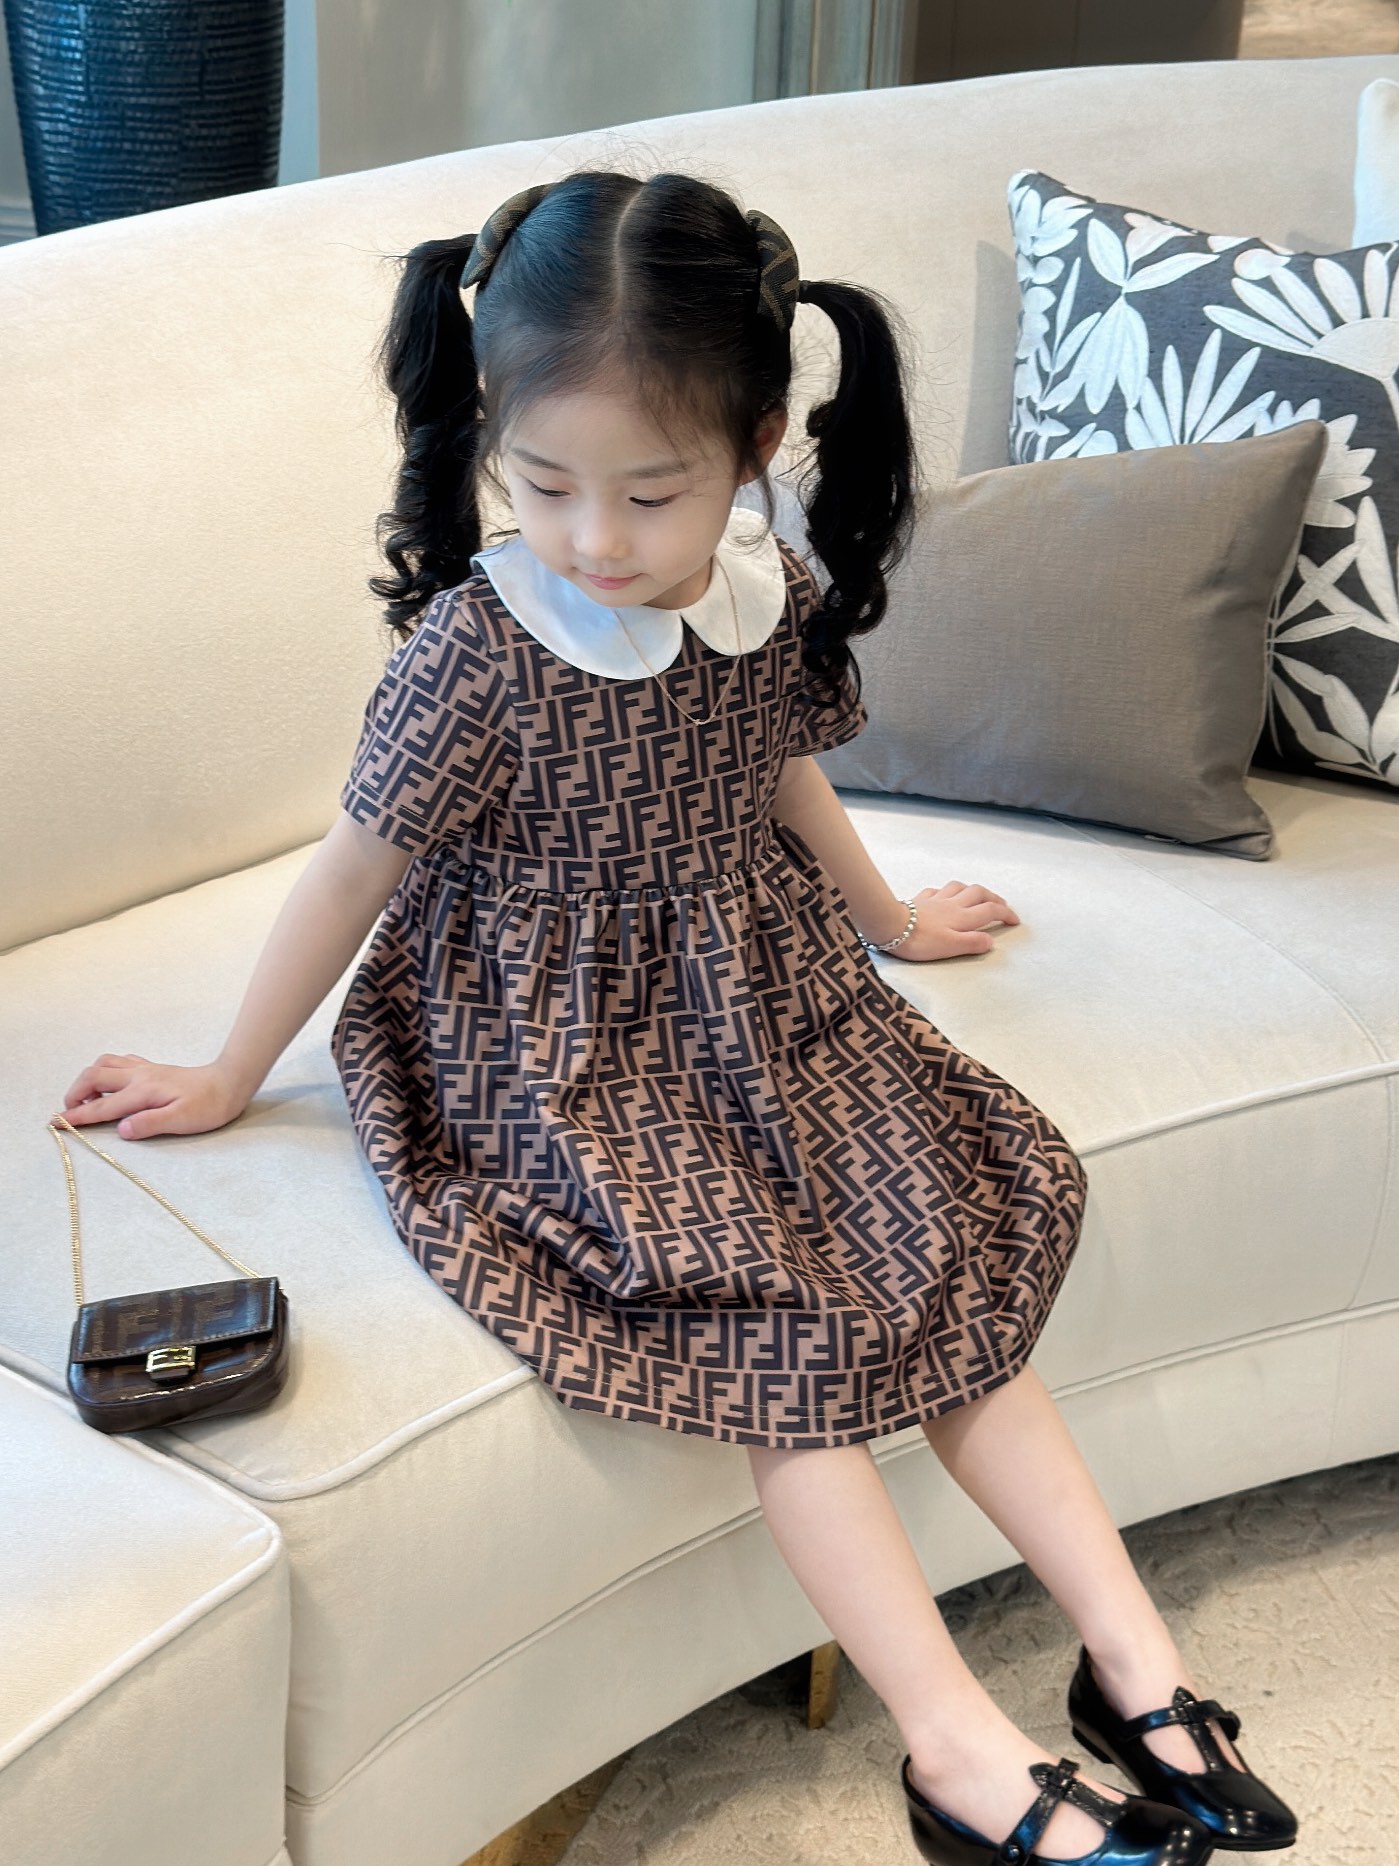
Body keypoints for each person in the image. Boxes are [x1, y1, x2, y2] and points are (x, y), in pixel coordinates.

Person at [51, 167, 1296, 1865]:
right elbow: (352, 871)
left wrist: (887, 921)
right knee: (785, 1324)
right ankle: (954, 1745)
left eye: (652, 492)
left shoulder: (760, 592)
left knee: (937, 1236)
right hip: (551, 1049)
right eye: (544, 483)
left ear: (758, 442)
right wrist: (224, 1070)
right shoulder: (478, 653)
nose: (596, 539)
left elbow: (772, 768)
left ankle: (1133, 1661)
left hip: (754, 991)